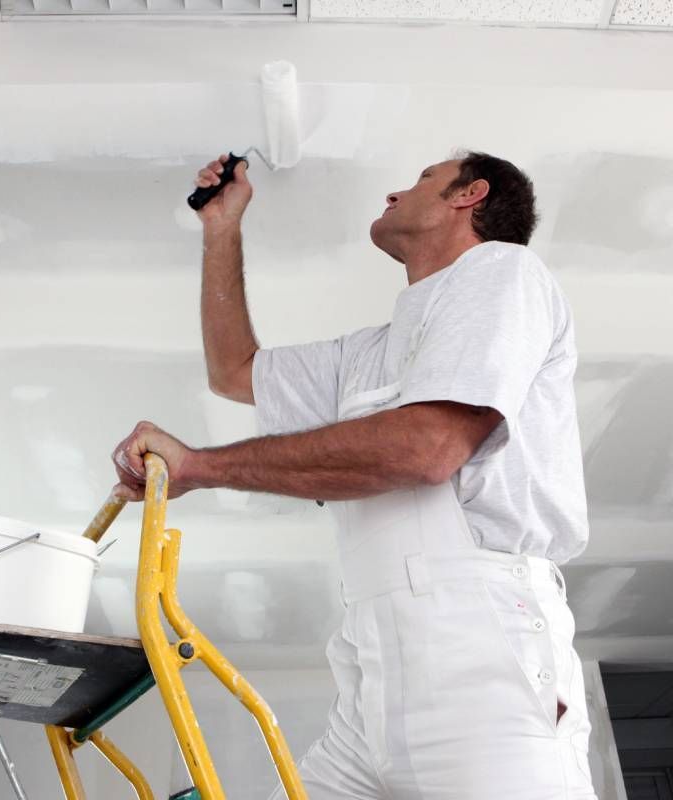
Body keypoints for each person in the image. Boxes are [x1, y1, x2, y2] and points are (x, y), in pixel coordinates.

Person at [111, 150, 597, 799]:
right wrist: (222, 228)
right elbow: (234, 372)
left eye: (422, 178)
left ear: (469, 195)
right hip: (374, 673)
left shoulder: (503, 272)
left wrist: (202, 466)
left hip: (481, 660)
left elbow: (429, 449)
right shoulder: (370, 354)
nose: (397, 191)